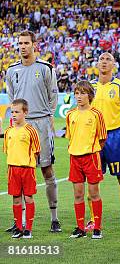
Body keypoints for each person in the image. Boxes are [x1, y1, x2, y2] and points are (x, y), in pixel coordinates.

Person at [5, 30, 61, 233]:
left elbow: (52, 97)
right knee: (19, 170)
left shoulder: (46, 68)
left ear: (34, 44)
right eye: (20, 43)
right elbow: (13, 98)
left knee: (47, 170)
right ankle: (19, 222)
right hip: (21, 127)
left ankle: (54, 218)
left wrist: (48, 118)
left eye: (26, 43)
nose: (22, 46)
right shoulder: (11, 70)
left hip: (41, 124)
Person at [90, 52, 120, 232]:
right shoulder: (90, 87)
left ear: (114, 64)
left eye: (108, 59)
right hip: (94, 138)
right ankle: (93, 220)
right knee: (93, 180)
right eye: (101, 59)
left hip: (115, 137)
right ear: (97, 63)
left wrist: (118, 131)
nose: (104, 62)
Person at [66, 81, 107, 239]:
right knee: (77, 194)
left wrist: (92, 150)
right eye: (77, 93)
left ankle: (97, 227)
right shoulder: (70, 115)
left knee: (93, 193)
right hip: (74, 158)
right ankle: (80, 228)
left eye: (83, 93)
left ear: (90, 95)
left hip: (91, 157)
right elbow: (70, 137)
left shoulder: (96, 114)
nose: (79, 96)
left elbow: (102, 138)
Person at [5, 99, 40, 239]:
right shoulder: (8, 131)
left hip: (27, 169)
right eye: (12, 112)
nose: (14, 114)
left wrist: (28, 163)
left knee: (28, 197)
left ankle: (28, 229)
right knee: (16, 199)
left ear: (25, 113)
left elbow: (37, 151)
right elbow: (8, 151)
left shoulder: (31, 130)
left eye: (17, 112)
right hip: (13, 169)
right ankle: (19, 227)